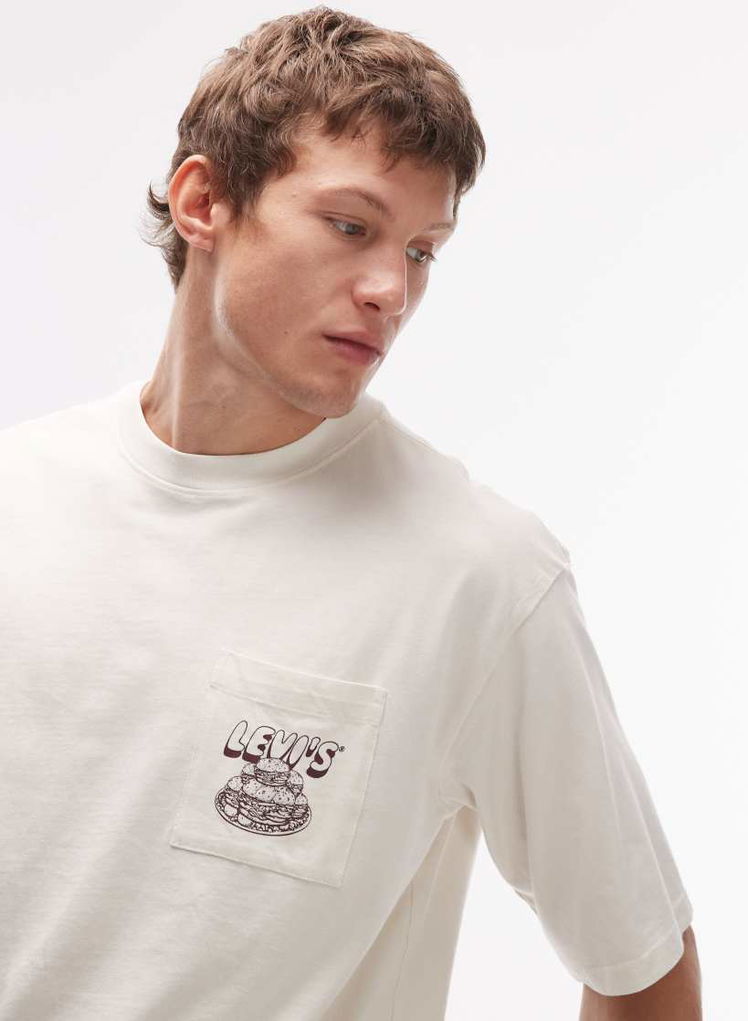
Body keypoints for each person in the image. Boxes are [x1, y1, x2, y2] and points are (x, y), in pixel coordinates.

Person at [0, 6, 701, 1019]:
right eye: (350, 226)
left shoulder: (478, 576)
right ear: (204, 201)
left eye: (422, 250)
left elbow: (641, 965)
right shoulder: (20, 499)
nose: (390, 290)